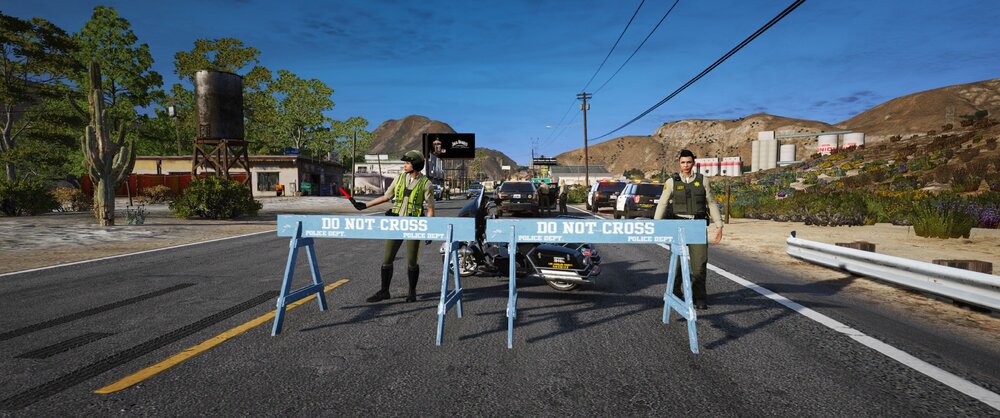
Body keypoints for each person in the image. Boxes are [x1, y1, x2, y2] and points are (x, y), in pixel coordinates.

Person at [353, 150, 435, 303]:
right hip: (396, 223)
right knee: (387, 259)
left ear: (415, 165)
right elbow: (386, 196)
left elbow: (430, 208)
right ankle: (384, 291)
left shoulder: (426, 184)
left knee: (412, 261)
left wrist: (428, 231)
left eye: (408, 163)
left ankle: (412, 292)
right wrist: (364, 205)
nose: (404, 165)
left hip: (414, 225)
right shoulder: (398, 178)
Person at [653, 149, 723, 310]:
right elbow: (663, 204)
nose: (686, 165)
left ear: (694, 163)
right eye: (683, 162)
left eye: (689, 162)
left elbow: (711, 203)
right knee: (676, 264)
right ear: (679, 163)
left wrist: (719, 225)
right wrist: (656, 225)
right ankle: (675, 293)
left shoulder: (703, 180)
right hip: (677, 226)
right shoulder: (671, 182)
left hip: (697, 227)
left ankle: (699, 297)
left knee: (699, 264)